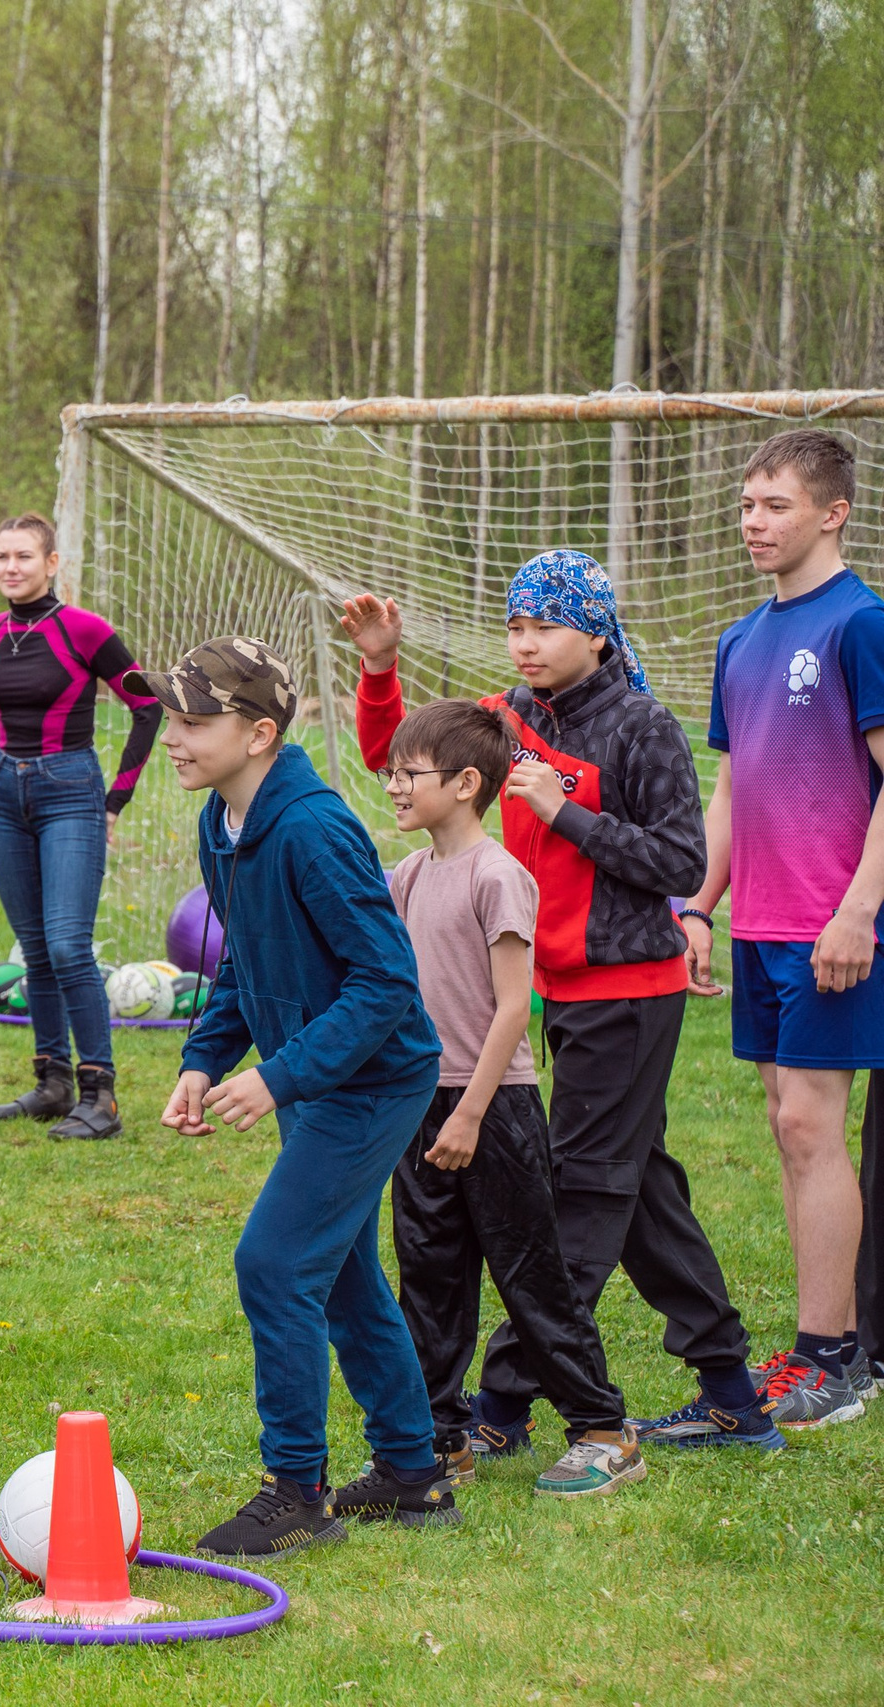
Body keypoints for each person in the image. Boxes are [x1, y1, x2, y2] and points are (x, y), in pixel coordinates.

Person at [343, 555, 771, 1451]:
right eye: (515, 626)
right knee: (640, 1194)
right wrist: (381, 670)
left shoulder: (641, 726)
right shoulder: (511, 716)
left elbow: (683, 865)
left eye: (545, 626)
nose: (526, 643)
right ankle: (733, 1389)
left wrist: (567, 810)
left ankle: (501, 1403)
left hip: (628, 996)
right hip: (551, 994)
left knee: (574, 1201)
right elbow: (409, 761)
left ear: (597, 631)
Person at [150, 637, 456, 1559]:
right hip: (313, 1077)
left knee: (275, 1265)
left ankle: (295, 1489)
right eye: (172, 716)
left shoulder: (316, 829)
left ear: (260, 733)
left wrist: (277, 1074)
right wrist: (204, 1059)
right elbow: (243, 957)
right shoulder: (221, 822)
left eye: (195, 721)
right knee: (345, 1276)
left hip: (371, 1080)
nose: (173, 735)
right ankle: (411, 1473)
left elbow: (384, 984)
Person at [384, 698, 643, 1498]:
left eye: (408, 773)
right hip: (421, 1105)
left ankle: (603, 1427)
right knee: (428, 1279)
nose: (393, 785)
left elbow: (510, 1007)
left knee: (530, 1275)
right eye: (391, 771)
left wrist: (469, 1111)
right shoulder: (407, 874)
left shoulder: (500, 877)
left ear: (466, 783)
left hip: (492, 1108)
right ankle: (440, 1438)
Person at [681, 429, 884, 1424]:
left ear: (831, 513)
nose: (752, 523)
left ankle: (833, 1359)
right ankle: (819, 1343)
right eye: (746, 505)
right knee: (787, 1129)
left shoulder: (861, 625)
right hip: (760, 922)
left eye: (774, 506)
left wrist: (858, 910)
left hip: (832, 927)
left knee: (811, 1126)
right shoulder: (737, 639)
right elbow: (729, 785)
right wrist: (698, 905)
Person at [0, 510, 161, 1140]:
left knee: (66, 944)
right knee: (33, 950)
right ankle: (52, 1084)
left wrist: (115, 800)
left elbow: (146, 705)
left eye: (24, 556)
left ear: (52, 563)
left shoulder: (86, 630)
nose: (11, 568)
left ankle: (100, 1096)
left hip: (70, 793)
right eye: (3, 557)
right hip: (3, 796)